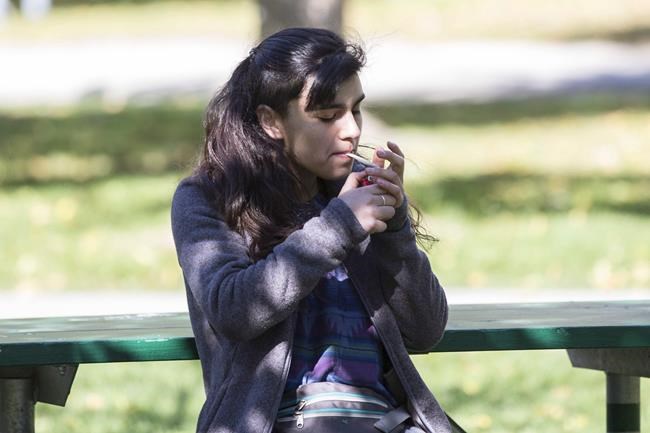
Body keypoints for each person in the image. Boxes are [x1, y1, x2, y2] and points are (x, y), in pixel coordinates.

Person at [171, 27, 451, 433]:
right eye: (327, 116)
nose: (351, 130)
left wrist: (394, 227)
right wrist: (339, 226)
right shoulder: (207, 197)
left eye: (355, 110)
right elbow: (235, 310)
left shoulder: (358, 190)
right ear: (271, 121)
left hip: (383, 422)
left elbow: (426, 330)